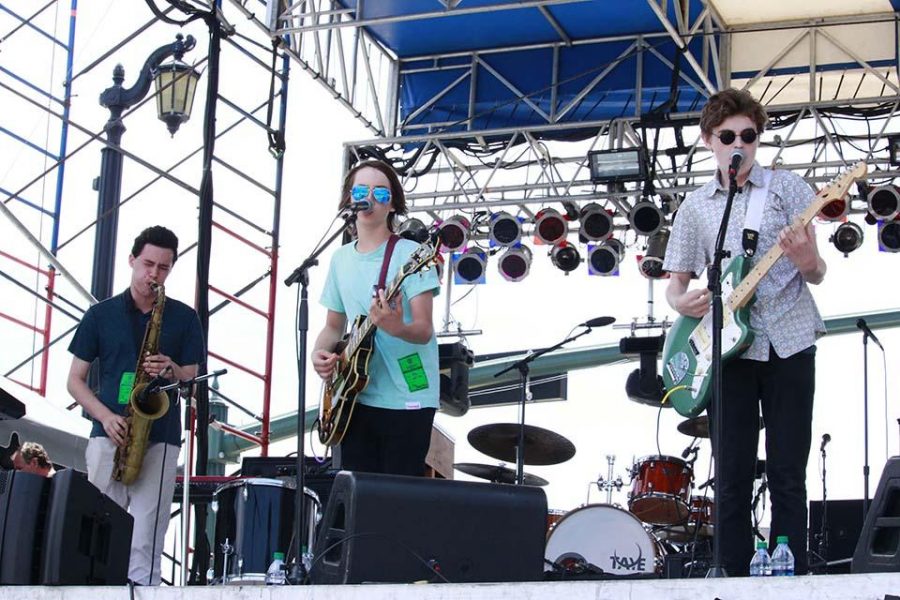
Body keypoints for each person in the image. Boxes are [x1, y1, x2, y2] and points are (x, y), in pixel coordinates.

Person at [663, 88, 826, 576]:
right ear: (708, 140)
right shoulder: (694, 207)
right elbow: (675, 287)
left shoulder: (788, 188)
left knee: (787, 466)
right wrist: (680, 301)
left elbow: (817, 272)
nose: (740, 145)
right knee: (731, 468)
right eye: (729, 136)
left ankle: (789, 565)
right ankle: (730, 570)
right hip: (725, 348)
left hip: (789, 337)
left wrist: (805, 259)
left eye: (749, 136)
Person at [67, 225, 205, 585]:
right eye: (147, 264)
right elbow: (74, 381)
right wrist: (105, 417)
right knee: (97, 532)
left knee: (147, 535)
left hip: (159, 436)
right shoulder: (100, 315)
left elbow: (190, 377)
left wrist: (171, 367)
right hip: (109, 432)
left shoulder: (185, 317)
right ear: (131, 260)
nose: (153, 275)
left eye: (163, 267)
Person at [312, 159, 441, 476]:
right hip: (355, 397)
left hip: (408, 396)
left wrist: (395, 327)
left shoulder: (411, 254)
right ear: (349, 199)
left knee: (398, 502)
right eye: (361, 190)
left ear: (393, 204)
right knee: (360, 502)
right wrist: (321, 354)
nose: (369, 198)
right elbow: (333, 325)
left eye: (380, 193)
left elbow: (424, 330)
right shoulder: (340, 259)